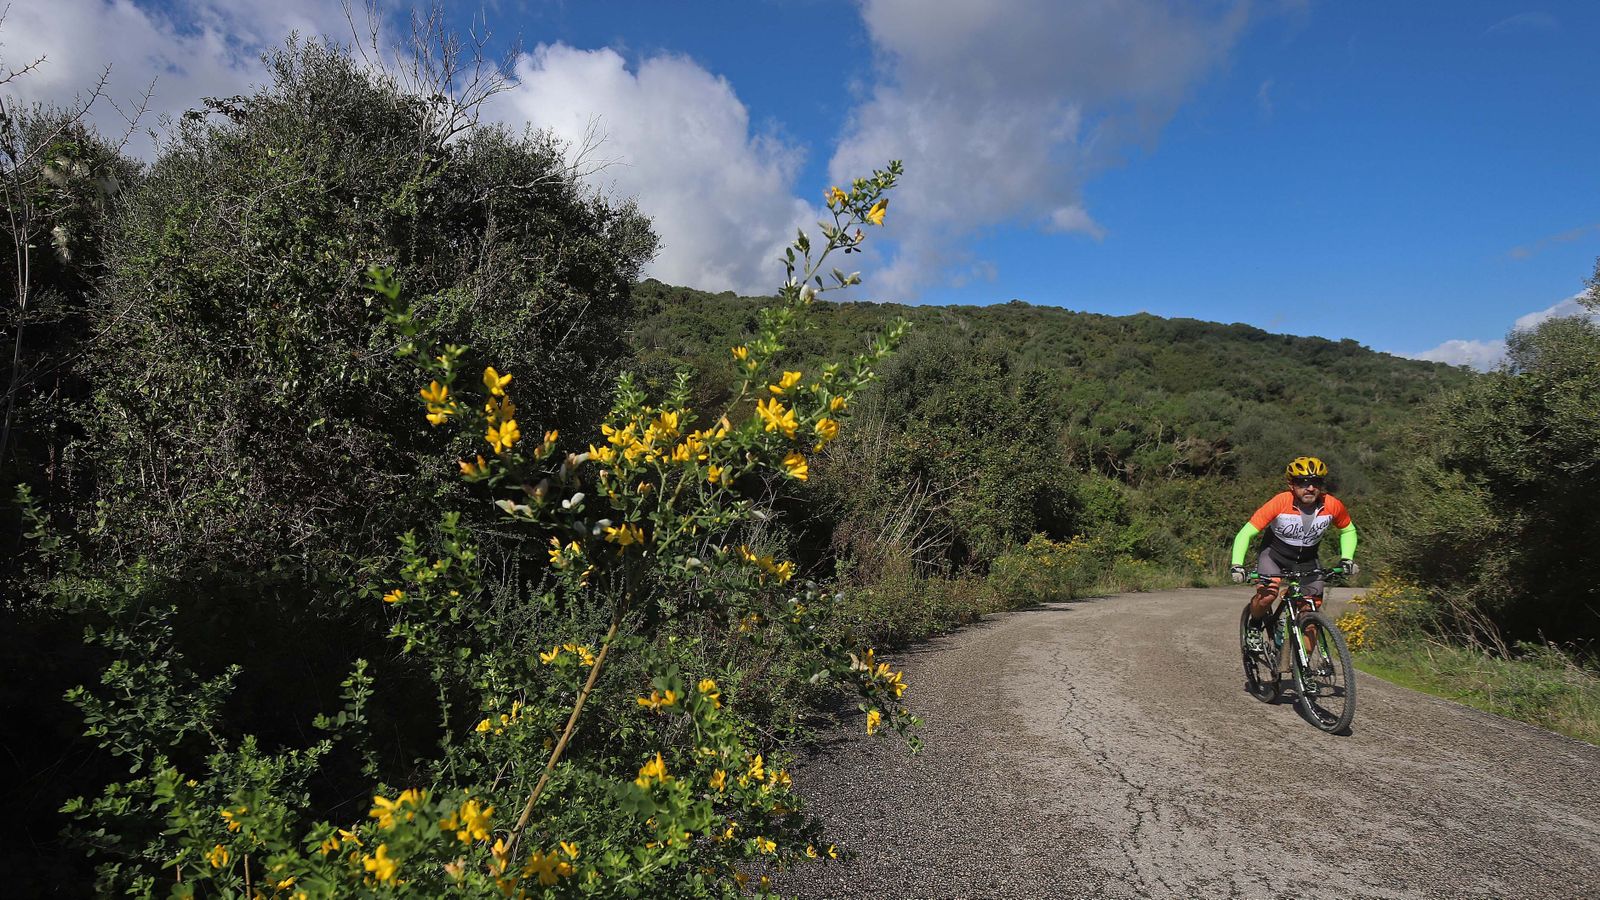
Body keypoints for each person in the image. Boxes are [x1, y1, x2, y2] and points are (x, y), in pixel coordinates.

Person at [1229, 456, 1358, 650]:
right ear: (1291, 484)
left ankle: (1305, 673)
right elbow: (1246, 533)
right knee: (1267, 596)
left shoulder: (1332, 505)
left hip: (1307, 560)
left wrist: (1347, 558)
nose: (1310, 488)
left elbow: (1348, 530)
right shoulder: (1280, 502)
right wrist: (1237, 564)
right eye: (1302, 482)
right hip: (1274, 556)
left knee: (1310, 613)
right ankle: (1254, 626)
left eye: (1316, 482)